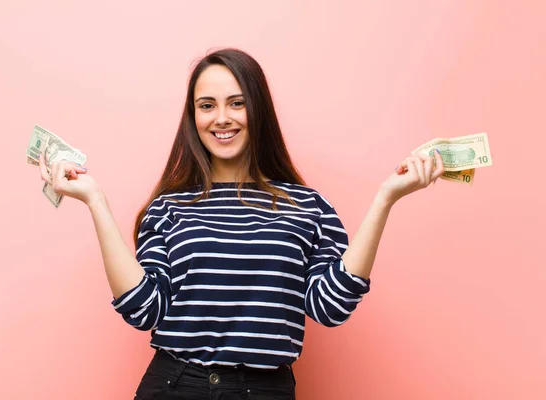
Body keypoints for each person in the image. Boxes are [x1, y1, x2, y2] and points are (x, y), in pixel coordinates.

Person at [38, 48, 445, 399]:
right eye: (206, 105)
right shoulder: (168, 208)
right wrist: (95, 201)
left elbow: (330, 307)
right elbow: (144, 310)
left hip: (266, 390)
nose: (221, 118)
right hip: (175, 386)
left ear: (258, 108)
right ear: (193, 116)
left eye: (237, 102)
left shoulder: (308, 206)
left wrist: (385, 199)